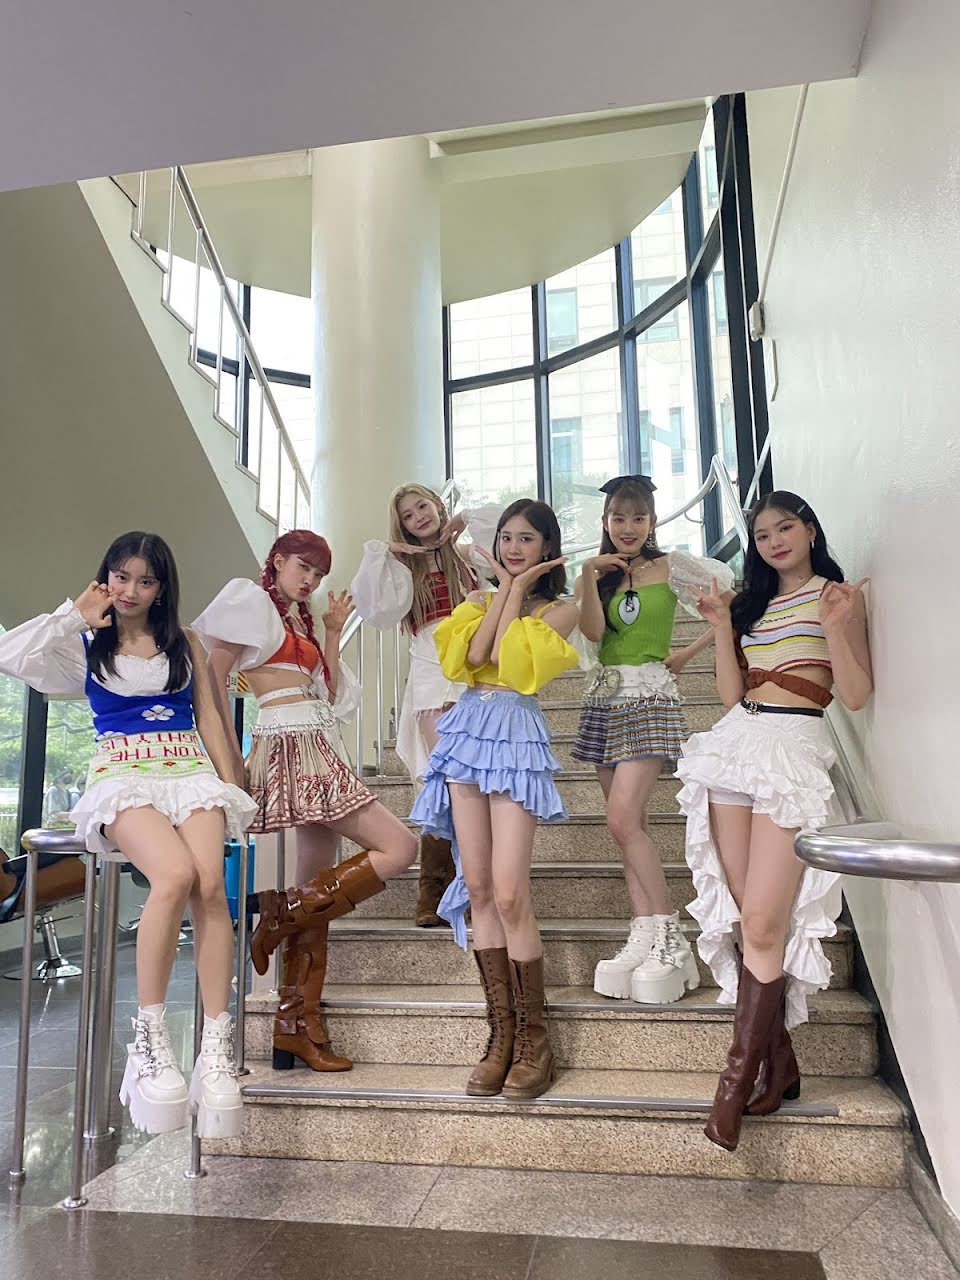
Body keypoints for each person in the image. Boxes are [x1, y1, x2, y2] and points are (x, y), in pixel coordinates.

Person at [0, 532, 256, 1138]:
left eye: (145, 580)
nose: (131, 590)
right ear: (105, 576)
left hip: (189, 769)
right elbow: (10, 653)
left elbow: (210, 718)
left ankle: (215, 1048)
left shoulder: (185, 641)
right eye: (121, 576)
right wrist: (73, 614)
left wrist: (234, 788)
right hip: (122, 773)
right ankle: (150, 1040)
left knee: (210, 888)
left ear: (161, 587)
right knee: (174, 874)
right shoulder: (85, 643)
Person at [677, 491, 872, 1150]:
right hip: (736, 745)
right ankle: (779, 1064)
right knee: (742, 917)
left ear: (810, 529)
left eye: (785, 527)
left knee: (764, 921)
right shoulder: (754, 605)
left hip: (794, 749)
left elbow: (855, 695)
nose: (774, 540)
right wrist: (723, 625)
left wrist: (837, 625)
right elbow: (732, 695)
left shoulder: (834, 596)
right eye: (761, 534)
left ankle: (733, 1085)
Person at [194, 530, 417, 1074]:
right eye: (302, 567)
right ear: (277, 561)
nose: (310, 580)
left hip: (319, 741)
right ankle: (278, 918)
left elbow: (333, 695)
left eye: (317, 574)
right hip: (289, 743)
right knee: (400, 846)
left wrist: (333, 632)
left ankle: (294, 1026)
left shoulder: (302, 622)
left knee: (314, 893)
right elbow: (211, 678)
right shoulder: (250, 600)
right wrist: (230, 760)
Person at [411, 499, 579, 1101]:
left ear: (546, 547)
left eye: (526, 539)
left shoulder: (561, 610)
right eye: (506, 537)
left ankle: (535, 1039)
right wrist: (505, 590)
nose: (513, 547)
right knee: (478, 886)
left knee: (509, 891)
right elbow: (474, 658)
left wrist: (517, 592)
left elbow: (510, 662)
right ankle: (501, 1036)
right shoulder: (476, 602)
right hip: (465, 733)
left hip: (515, 735)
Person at [574, 475, 733, 1004]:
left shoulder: (672, 567)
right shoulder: (597, 576)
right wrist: (586, 574)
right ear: (605, 522)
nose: (628, 527)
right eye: (618, 517)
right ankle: (644, 933)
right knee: (629, 828)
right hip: (604, 700)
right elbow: (594, 635)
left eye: (638, 517)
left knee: (622, 819)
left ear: (653, 521)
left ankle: (670, 934)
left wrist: (688, 652)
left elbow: (733, 602)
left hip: (650, 697)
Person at [351, 485, 499, 926]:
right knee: (445, 778)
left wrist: (465, 518)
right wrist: (388, 551)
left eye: (423, 506)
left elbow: (508, 532)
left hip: (476, 668)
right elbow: (373, 607)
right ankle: (434, 887)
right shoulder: (402, 572)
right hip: (432, 672)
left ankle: (477, 886)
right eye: (408, 515)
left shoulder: (468, 557)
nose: (419, 517)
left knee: (478, 779)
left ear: (438, 505)